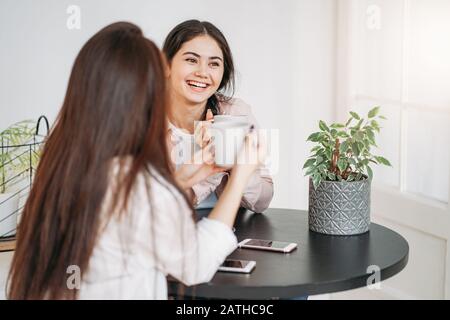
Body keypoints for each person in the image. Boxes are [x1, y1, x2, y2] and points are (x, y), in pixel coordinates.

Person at [7, 22, 265, 300]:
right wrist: (238, 176)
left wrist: (180, 179)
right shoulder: (139, 182)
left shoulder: (63, 161)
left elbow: (126, 220)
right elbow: (196, 265)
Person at [163, 20, 273, 212]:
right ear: (166, 65)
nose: (203, 72)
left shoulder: (235, 113)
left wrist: (236, 164)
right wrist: (212, 166)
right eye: (191, 60)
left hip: (224, 229)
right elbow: (151, 205)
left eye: (214, 63)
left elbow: (262, 202)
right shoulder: (142, 117)